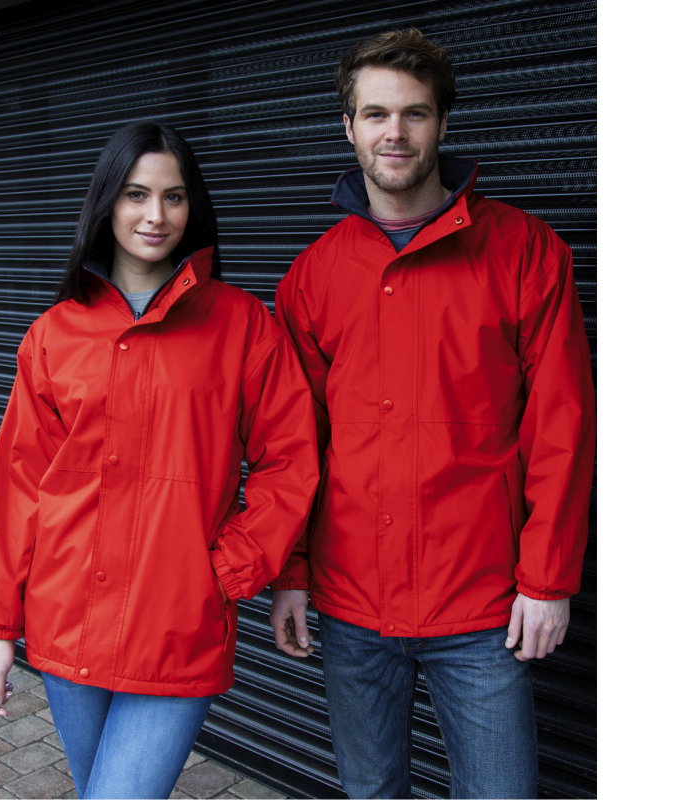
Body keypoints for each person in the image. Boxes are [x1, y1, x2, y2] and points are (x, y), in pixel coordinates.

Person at [268, 28, 596, 800]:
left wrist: (548, 579)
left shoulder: (523, 250)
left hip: (482, 605)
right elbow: (294, 446)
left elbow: (563, 424)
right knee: (371, 791)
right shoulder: (313, 276)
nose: (395, 132)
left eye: (414, 113)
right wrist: (291, 574)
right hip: (351, 603)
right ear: (348, 127)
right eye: (376, 114)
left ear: (443, 123)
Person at [0, 120, 319, 800]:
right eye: (136, 194)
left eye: (173, 196)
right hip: (67, 617)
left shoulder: (242, 324)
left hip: (177, 621)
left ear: (193, 208)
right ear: (106, 203)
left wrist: (230, 568)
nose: (155, 215)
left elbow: (291, 459)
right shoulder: (53, 334)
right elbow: (19, 487)